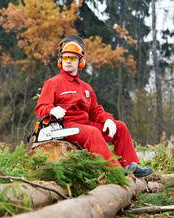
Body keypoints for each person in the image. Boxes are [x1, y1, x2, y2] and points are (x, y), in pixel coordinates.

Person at [35, 35, 153, 178]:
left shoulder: (86, 88)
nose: (68, 61)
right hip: (65, 126)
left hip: (84, 125)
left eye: (72, 58)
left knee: (120, 126)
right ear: (60, 60)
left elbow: (95, 110)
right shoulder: (53, 83)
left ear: (80, 62)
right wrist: (52, 110)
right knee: (92, 133)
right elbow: (41, 107)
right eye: (65, 58)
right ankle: (115, 171)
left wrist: (107, 120)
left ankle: (129, 166)